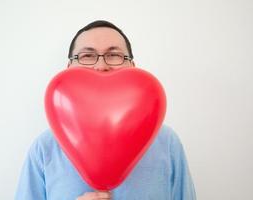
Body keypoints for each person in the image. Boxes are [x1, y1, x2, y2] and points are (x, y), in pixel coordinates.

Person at [15, 20, 196, 200]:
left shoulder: (167, 144)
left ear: (132, 67)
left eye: (114, 55)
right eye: (87, 56)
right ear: (69, 68)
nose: (101, 66)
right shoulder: (44, 149)